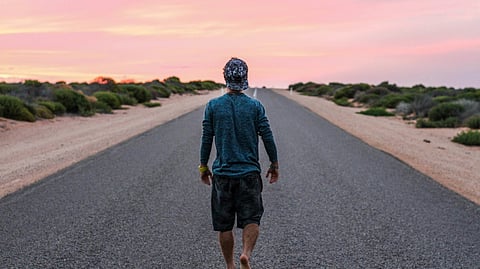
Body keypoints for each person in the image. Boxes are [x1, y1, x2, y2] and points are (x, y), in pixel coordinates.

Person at [199, 57, 279, 269]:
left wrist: (203, 166)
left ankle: (230, 266)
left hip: (223, 175)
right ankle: (246, 254)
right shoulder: (255, 106)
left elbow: (207, 138)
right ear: (245, 78)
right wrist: (274, 164)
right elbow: (267, 136)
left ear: (225, 77)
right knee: (251, 219)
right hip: (248, 174)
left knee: (224, 225)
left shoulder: (213, 106)